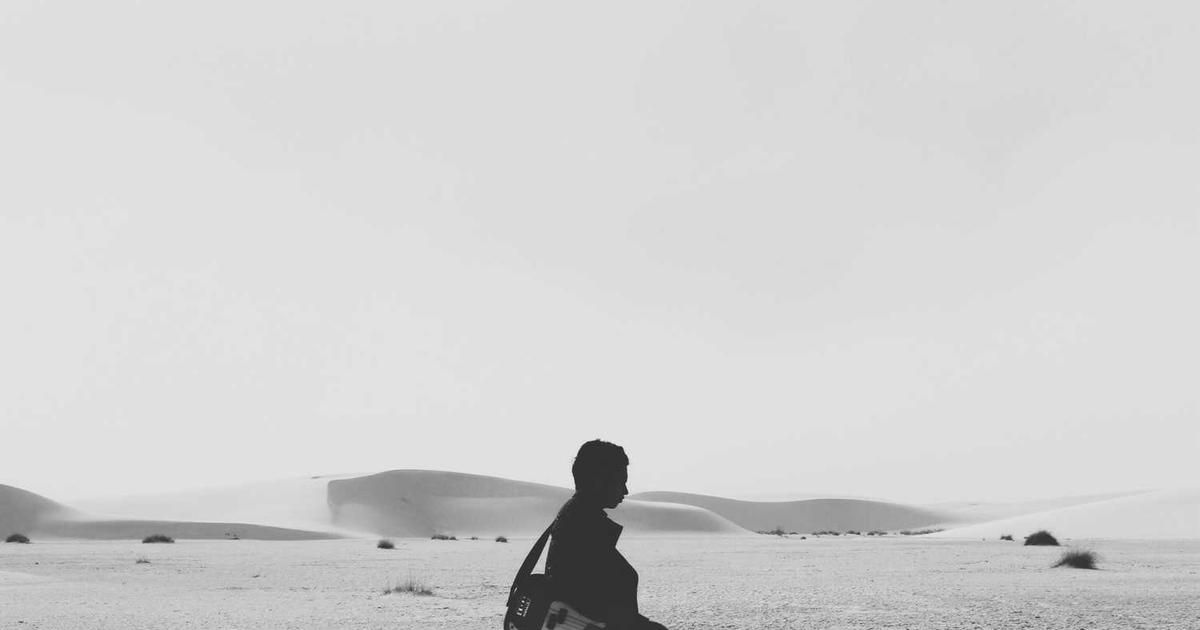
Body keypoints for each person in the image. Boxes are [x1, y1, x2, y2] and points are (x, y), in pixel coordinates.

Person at [546, 440, 668, 630]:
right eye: (621, 482)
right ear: (599, 481)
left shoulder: (578, 518)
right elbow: (590, 602)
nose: (626, 490)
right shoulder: (582, 525)